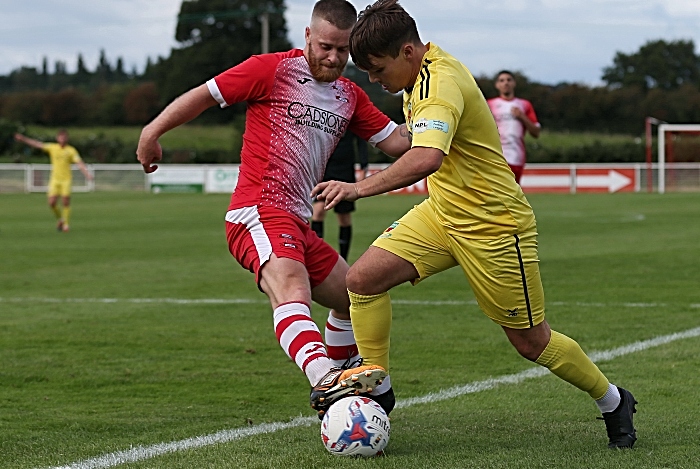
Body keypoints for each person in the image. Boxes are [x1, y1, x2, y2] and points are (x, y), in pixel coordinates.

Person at [312, 0, 637, 449]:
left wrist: (356, 187)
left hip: (495, 226)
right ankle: (377, 393)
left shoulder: (439, 82)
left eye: (377, 69)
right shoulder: (420, 72)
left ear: (407, 52)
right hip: (443, 214)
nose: (373, 80)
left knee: (531, 342)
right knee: (363, 280)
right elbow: (413, 141)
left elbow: (426, 157)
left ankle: (613, 400)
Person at [136, 0, 411, 419]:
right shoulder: (270, 69)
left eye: (342, 50)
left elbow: (399, 144)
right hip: (258, 210)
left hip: (299, 223)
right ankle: (327, 381)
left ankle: (339, 378)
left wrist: (445, 106)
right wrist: (153, 131)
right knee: (291, 287)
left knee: (353, 295)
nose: (334, 58)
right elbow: (203, 96)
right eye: (325, 47)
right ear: (307, 37)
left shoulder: (350, 95)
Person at [14, 130, 92, 232]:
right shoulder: (53, 148)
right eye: (61, 137)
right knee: (51, 203)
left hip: (66, 180)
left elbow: (79, 162)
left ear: (67, 138)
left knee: (65, 201)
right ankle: (61, 219)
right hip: (55, 180)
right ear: (57, 138)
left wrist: (86, 173)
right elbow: (37, 144)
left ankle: (66, 225)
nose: (62, 139)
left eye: (64, 137)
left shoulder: (71, 150)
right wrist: (24, 139)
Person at [311, 130, 369, 260]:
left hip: (345, 171)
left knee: (344, 217)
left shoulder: (350, 116)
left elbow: (361, 141)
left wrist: (364, 166)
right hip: (324, 169)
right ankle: (315, 257)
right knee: (318, 211)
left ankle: (344, 258)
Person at [486, 70, 541, 184]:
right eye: (502, 80)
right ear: (497, 85)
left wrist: (522, 116)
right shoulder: (489, 104)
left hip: (516, 156)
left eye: (509, 80)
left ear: (514, 83)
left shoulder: (524, 105)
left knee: (514, 196)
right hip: (495, 156)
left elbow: (536, 132)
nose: (506, 83)